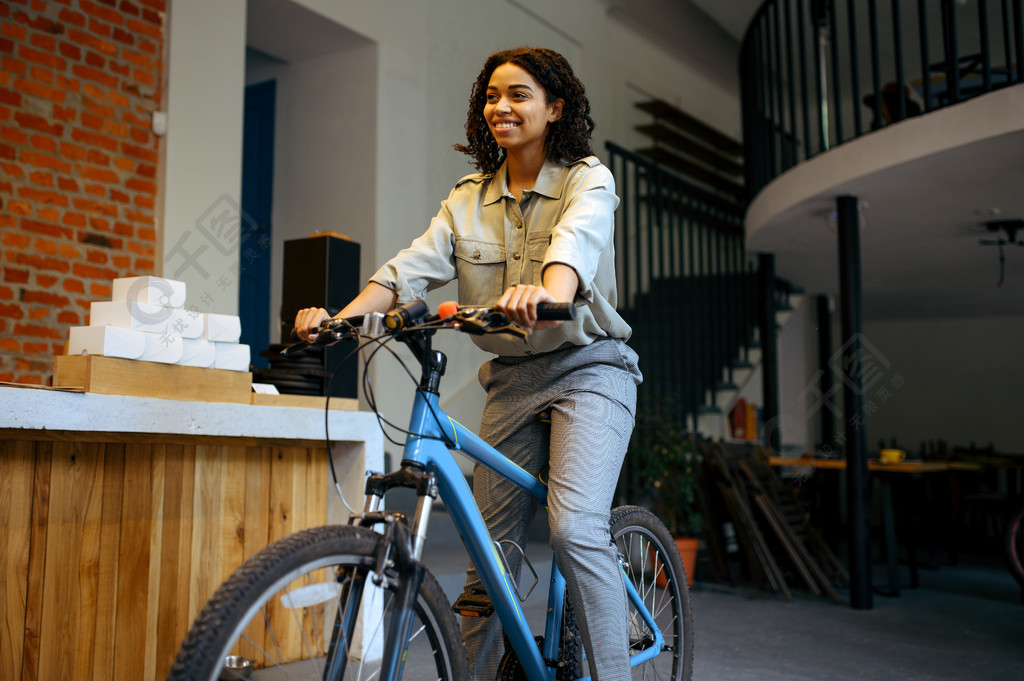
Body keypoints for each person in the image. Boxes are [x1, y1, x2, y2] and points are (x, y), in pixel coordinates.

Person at [295, 46, 641, 681]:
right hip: (511, 380)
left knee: (573, 531)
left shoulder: (587, 178)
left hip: (591, 369)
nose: (500, 107)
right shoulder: (466, 201)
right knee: (489, 560)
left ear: (554, 107)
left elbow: (576, 243)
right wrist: (338, 321)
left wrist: (548, 293)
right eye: (491, 96)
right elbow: (410, 269)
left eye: (518, 95)